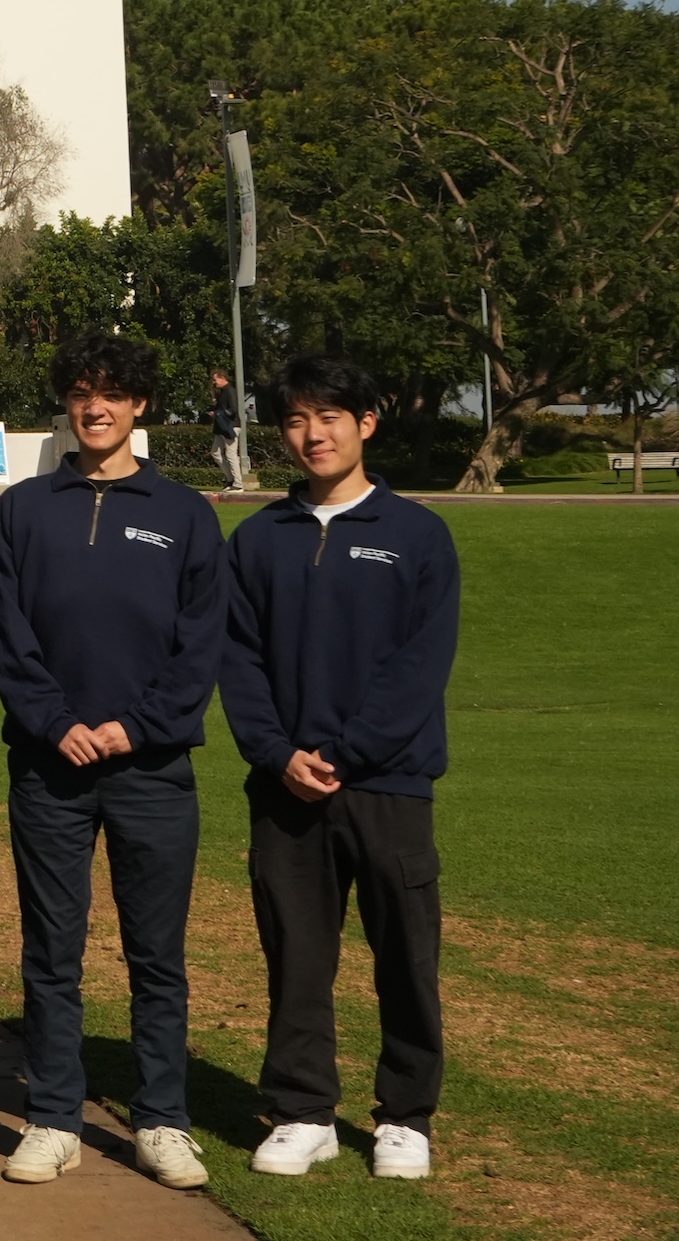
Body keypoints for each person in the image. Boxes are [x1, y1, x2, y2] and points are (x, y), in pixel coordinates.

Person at [0, 332, 226, 1191]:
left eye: (112, 394)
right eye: (81, 392)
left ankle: (161, 1118)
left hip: (151, 767)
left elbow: (200, 646)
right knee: (52, 950)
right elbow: (6, 636)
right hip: (50, 766)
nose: (95, 407)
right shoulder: (22, 509)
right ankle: (54, 1115)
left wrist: (135, 727)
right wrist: (57, 722)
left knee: (155, 952)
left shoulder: (185, 512)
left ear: (139, 406)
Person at [221, 356, 459, 1185]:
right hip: (284, 787)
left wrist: (347, 752)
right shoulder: (257, 538)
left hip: (388, 783)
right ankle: (302, 1110)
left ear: (368, 422)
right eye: (295, 419)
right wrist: (277, 753)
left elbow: (418, 665)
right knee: (296, 954)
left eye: (330, 416)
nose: (312, 433)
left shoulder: (418, 534)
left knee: (405, 954)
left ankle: (404, 1115)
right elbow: (239, 661)